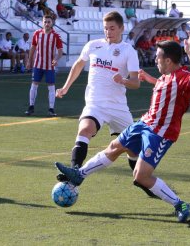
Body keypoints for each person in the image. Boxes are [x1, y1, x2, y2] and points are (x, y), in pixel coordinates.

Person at [55, 34, 190, 223]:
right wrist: (149, 78)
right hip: (144, 124)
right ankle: (79, 175)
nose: (155, 59)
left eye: (158, 56)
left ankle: (179, 204)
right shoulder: (166, 76)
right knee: (114, 147)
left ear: (168, 60)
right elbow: (164, 86)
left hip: (160, 133)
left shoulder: (182, 77)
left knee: (141, 176)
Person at [54, 11, 160, 198]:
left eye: (112, 28)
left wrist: (123, 80)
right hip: (95, 103)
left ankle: (144, 182)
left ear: (121, 28)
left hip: (118, 107)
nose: (108, 32)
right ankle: (74, 172)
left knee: (132, 149)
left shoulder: (129, 51)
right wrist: (65, 87)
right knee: (84, 130)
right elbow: (78, 65)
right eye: (105, 28)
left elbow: (135, 83)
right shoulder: (93, 45)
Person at [24, 14, 63, 117]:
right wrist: (29, 60)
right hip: (38, 64)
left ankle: (51, 109)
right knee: (34, 85)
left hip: (50, 66)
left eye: (48, 22)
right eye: (45, 22)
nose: (46, 24)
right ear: (42, 22)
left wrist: (56, 59)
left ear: (52, 23)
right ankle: (31, 106)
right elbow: (33, 47)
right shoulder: (37, 33)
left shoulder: (56, 35)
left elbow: (60, 51)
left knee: (51, 87)